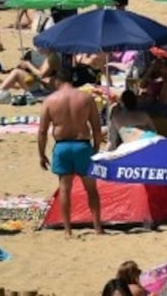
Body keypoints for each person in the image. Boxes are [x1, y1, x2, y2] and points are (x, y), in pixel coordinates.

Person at [38, 64, 104, 236]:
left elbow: (43, 131)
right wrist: (95, 149)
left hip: (62, 147)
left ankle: (68, 230)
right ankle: (97, 227)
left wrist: (41, 154)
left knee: (65, 189)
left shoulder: (50, 100)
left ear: (57, 80)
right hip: (82, 145)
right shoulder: (86, 98)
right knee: (91, 190)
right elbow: (97, 128)